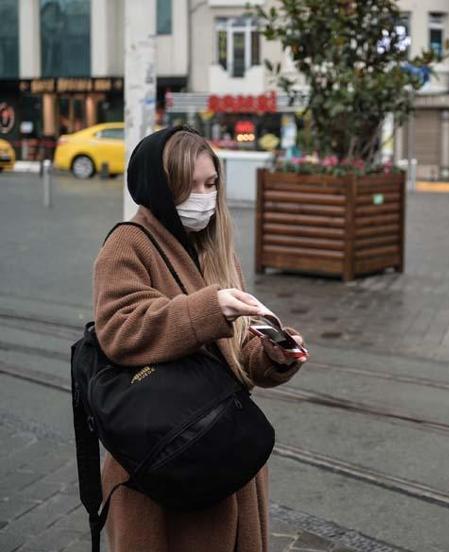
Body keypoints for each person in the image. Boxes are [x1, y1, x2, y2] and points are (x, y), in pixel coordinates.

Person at [93, 126, 308, 551]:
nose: (204, 197)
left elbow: (239, 354)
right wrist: (212, 309)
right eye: (189, 186)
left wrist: (272, 353)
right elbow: (120, 328)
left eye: (211, 183)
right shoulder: (127, 244)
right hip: (163, 458)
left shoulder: (215, 247)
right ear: (160, 186)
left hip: (223, 454)